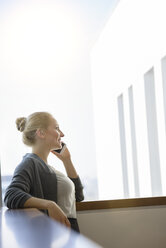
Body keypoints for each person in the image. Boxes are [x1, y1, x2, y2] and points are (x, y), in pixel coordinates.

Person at [4, 112, 84, 233]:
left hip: (68, 235)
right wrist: (49, 205)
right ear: (41, 133)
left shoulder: (49, 168)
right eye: (57, 128)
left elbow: (78, 197)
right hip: (56, 237)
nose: (62, 134)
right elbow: (11, 195)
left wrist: (67, 160)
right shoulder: (30, 162)